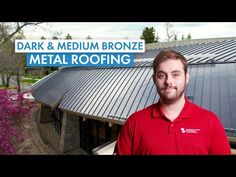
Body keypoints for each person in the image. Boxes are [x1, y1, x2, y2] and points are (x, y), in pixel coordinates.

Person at [113, 50, 231, 155]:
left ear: (186, 78)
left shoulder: (210, 122)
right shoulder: (134, 123)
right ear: (154, 80)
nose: (168, 81)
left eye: (175, 74)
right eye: (162, 75)